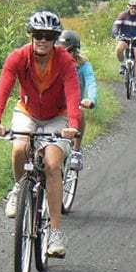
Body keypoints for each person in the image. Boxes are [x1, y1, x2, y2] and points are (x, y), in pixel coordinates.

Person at [0, 11, 80, 258]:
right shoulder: (18, 57)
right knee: (19, 148)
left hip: (57, 117)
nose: (42, 40)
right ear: (31, 35)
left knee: (52, 164)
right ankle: (19, 189)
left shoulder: (64, 61)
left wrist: (72, 124)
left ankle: (55, 233)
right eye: (38, 35)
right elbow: (4, 86)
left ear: (55, 39)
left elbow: (73, 92)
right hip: (27, 112)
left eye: (48, 37)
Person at [57, 30, 98, 171]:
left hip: (74, 105)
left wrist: (90, 99)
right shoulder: (52, 63)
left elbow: (91, 81)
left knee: (80, 111)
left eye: (67, 51)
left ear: (75, 51)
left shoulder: (83, 65)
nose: (64, 55)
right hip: (54, 106)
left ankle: (76, 150)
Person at [111, 0, 136, 92]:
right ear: (129, 7)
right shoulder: (123, 15)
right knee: (119, 49)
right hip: (125, 38)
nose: (133, 10)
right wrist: (115, 33)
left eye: (135, 8)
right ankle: (122, 64)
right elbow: (116, 25)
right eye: (132, 8)